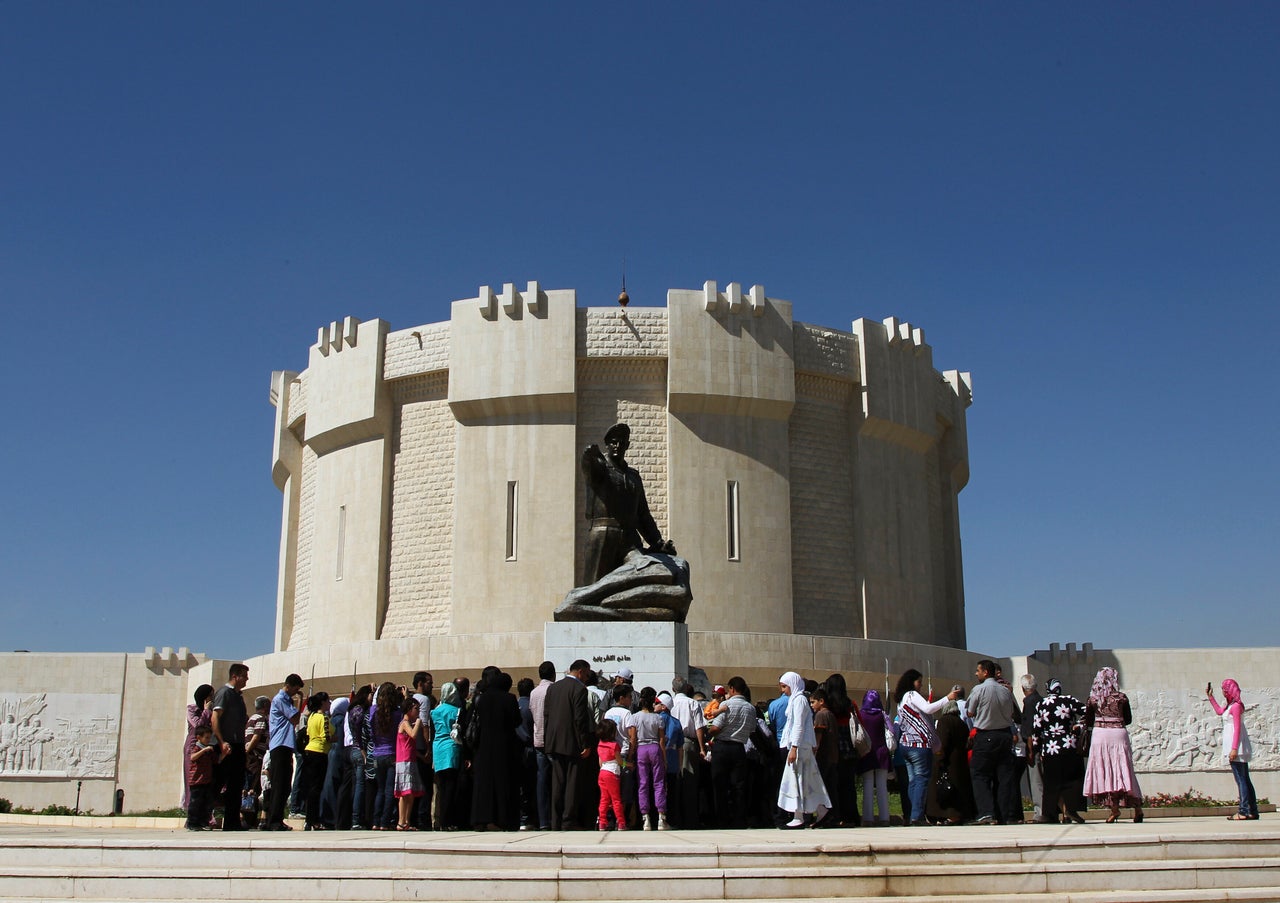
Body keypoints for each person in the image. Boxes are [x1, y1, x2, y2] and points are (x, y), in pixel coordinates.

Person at [579, 423, 674, 586]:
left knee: (644, 572)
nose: (618, 446)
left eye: (622, 443)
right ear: (607, 445)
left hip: (629, 540)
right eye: (614, 442)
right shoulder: (601, 468)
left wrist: (657, 542)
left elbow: (643, 515)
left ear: (628, 445)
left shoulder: (633, 477)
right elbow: (589, 466)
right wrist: (588, 455)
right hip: (604, 536)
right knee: (594, 587)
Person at [896, 668, 960, 826]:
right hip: (919, 744)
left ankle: (913, 813)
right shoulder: (912, 695)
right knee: (922, 779)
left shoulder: (901, 700)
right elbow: (928, 708)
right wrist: (948, 698)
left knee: (913, 782)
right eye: (919, 682)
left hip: (906, 744)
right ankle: (917, 816)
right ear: (912, 682)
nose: (921, 686)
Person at [1082, 666, 1144, 823]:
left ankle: (1114, 810)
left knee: (1105, 770)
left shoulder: (1093, 699)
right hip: (1118, 734)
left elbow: (1088, 721)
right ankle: (1137, 808)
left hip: (1100, 735)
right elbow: (1128, 719)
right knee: (1124, 770)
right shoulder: (1121, 698)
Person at [544, 659, 595, 830]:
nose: (587, 678)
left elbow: (547, 715)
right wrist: (585, 744)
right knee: (572, 782)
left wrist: (548, 739)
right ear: (580, 672)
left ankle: (555, 820)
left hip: (554, 741)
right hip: (572, 742)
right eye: (587, 674)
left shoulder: (553, 687)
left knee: (557, 782)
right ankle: (568, 820)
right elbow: (580, 719)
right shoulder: (579, 689)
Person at [965, 660, 1018, 825]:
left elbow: (970, 711)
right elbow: (1011, 713)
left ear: (985, 672)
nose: (976, 673)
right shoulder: (1006, 691)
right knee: (1004, 777)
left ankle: (986, 812)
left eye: (978, 670)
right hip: (1004, 735)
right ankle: (1004, 814)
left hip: (986, 735)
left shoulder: (979, 689)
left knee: (979, 774)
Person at [775, 671, 830, 829]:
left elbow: (798, 725)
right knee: (807, 780)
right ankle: (821, 810)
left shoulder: (799, 701)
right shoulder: (797, 700)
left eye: (785, 686)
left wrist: (794, 748)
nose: (783, 690)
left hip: (800, 747)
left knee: (797, 779)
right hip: (801, 746)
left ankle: (798, 816)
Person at [470, 668, 523, 831]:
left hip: (483, 748)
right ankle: (501, 818)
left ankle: (481, 818)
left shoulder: (482, 698)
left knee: (484, 784)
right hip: (504, 747)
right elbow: (516, 721)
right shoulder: (509, 698)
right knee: (502, 783)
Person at [1032, 678, 1086, 824]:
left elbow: (1036, 730)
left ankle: (1050, 814)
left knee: (1051, 783)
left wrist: (1037, 748)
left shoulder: (1041, 704)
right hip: (1069, 746)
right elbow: (1088, 712)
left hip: (1050, 748)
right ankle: (1071, 810)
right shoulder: (1068, 700)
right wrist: (1079, 726)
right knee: (1071, 780)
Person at [708, 676, 756, 829]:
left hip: (722, 747)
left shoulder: (726, 704)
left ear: (732, 689)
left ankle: (721, 819)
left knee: (719, 785)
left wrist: (708, 733)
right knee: (739, 786)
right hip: (739, 748)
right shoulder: (751, 708)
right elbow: (752, 730)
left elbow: (716, 727)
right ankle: (739, 819)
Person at [1206, 678, 1258, 821]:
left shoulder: (1236, 707)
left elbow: (1237, 728)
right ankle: (1252, 810)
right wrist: (1211, 697)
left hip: (1237, 746)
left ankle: (1243, 811)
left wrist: (1234, 749)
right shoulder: (1231, 706)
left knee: (1241, 779)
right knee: (1245, 778)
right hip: (1235, 746)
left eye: (1224, 689)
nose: (1222, 691)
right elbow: (1219, 711)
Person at [211, 663, 250, 830]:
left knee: (236, 784)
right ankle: (199, 817)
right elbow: (215, 717)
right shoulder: (224, 693)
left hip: (238, 744)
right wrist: (221, 742)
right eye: (244, 675)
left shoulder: (238, 696)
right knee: (217, 782)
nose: (247, 679)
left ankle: (232, 822)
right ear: (235, 676)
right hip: (225, 745)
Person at [926, 698, 977, 825]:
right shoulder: (962, 723)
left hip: (947, 762)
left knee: (944, 789)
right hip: (960, 762)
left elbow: (942, 742)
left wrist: (938, 758)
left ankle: (944, 815)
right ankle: (960, 815)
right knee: (959, 789)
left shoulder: (944, 721)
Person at [263, 673, 303, 831]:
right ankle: (274, 821)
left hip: (284, 745)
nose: (296, 692)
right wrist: (299, 701)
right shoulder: (280, 699)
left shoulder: (285, 700)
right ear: (290, 686)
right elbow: (295, 718)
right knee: (280, 784)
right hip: (280, 745)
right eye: (296, 689)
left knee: (284, 785)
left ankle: (275, 818)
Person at [633, 687, 670, 830]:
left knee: (643, 783)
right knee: (659, 783)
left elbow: (633, 738)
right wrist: (664, 759)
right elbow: (662, 740)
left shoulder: (635, 717)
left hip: (641, 749)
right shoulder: (658, 717)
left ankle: (645, 818)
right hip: (655, 748)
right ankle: (661, 817)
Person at [856, 689, 892, 826]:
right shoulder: (882, 715)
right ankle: (884, 818)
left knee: (868, 785)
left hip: (867, 752)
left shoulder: (861, 714)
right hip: (882, 752)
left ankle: (868, 818)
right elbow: (892, 730)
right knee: (882, 786)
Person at [431, 682, 463, 831]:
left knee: (442, 786)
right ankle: (448, 820)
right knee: (451, 785)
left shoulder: (435, 711)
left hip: (438, 747)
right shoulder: (456, 711)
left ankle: (441, 820)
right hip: (451, 747)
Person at [368, 682, 401, 830]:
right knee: (389, 791)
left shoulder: (374, 711)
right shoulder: (398, 713)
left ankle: (375, 821)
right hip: (392, 753)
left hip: (377, 753)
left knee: (380, 790)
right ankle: (385, 822)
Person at [529, 660, 556, 831]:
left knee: (541, 782)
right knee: (556, 781)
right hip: (553, 742)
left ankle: (543, 820)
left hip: (538, 739)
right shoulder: (553, 690)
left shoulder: (534, 692)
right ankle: (554, 818)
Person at [808, 690, 840, 828]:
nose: (811, 705)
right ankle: (834, 816)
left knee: (821, 788)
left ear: (821, 701)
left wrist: (813, 752)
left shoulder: (821, 715)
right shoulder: (831, 714)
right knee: (832, 788)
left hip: (823, 756)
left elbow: (818, 736)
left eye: (813, 702)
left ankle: (824, 816)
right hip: (833, 756)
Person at [301, 692, 332, 831]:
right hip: (319, 752)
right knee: (316, 788)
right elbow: (326, 736)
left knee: (311, 788)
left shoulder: (311, 717)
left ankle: (309, 818)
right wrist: (335, 738)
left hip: (309, 751)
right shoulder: (323, 717)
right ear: (323, 703)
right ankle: (313, 819)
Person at [395, 696, 426, 830]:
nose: (418, 711)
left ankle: (407, 821)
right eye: (415, 709)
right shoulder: (404, 723)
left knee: (411, 792)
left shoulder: (410, 723)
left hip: (411, 759)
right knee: (404, 793)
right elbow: (413, 735)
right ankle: (401, 821)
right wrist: (419, 722)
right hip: (404, 761)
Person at [182, 684, 213, 812]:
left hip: (206, 747)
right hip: (193, 747)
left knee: (205, 781)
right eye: (210, 695)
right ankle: (191, 812)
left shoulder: (211, 711)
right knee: (193, 780)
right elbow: (197, 726)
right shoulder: (192, 709)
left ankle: (205, 814)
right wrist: (206, 711)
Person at [1020, 674, 1045, 823]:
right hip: (1044, 746)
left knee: (1036, 781)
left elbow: (1029, 729)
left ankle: (1039, 812)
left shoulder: (1029, 702)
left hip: (1034, 747)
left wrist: (1029, 751)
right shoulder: (1041, 700)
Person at [185, 724, 218, 831]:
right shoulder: (196, 747)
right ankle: (192, 823)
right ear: (199, 737)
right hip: (196, 781)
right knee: (195, 803)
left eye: (209, 737)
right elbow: (192, 757)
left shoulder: (209, 750)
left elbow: (216, 761)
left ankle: (203, 822)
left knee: (206, 803)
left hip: (206, 781)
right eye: (206, 737)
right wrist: (203, 750)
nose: (208, 740)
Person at [596, 718, 627, 831]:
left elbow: (600, 762)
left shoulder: (600, 745)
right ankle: (621, 823)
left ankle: (602, 822)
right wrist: (627, 764)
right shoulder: (614, 746)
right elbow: (619, 761)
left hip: (602, 772)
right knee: (616, 799)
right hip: (612, 773)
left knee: (604, 799)